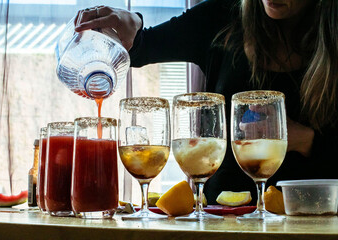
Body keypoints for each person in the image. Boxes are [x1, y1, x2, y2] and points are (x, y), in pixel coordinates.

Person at [74, 0, 338, 205]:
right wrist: (131, 23)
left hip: (315, 217)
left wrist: (306, 140)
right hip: (223, 217)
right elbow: (142, 46)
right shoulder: (223, 16)